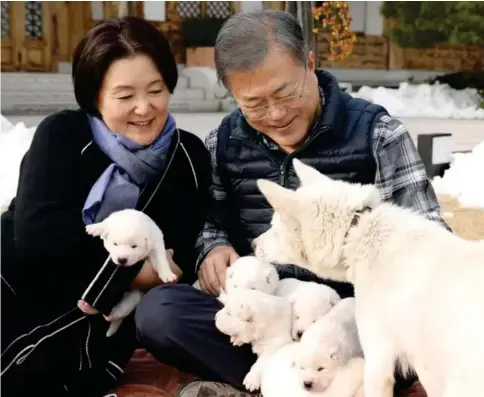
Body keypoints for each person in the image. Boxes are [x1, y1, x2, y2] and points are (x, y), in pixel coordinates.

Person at [135, 9, 445, 397]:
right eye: (255, 104)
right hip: (264, 315)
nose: (277, 115)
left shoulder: (376, 134)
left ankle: (279, 384)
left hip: (352, 323)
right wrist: (212, 248)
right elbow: (208, 221)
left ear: (310, 64)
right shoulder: (223, 143)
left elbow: (429, 240)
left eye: (285, 94)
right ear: (233, 94)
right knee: (160, 313)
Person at [0, 16, 211, 397]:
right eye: (125, 96)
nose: (144, 108)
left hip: (99, 317)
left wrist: (144, 276)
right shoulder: (63, 134)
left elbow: (179, 248)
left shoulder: (189, 157)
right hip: (16, 277)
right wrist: (133, 274)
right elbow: (36, 237)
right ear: (95, 96)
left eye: (156, 90)